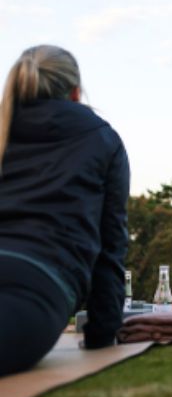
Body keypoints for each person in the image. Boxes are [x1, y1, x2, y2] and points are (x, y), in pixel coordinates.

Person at [0, 45, 129, 376]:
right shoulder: (101, 139)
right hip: (34, 291)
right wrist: (102, 336)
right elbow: (109, 247)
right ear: (75, 92)